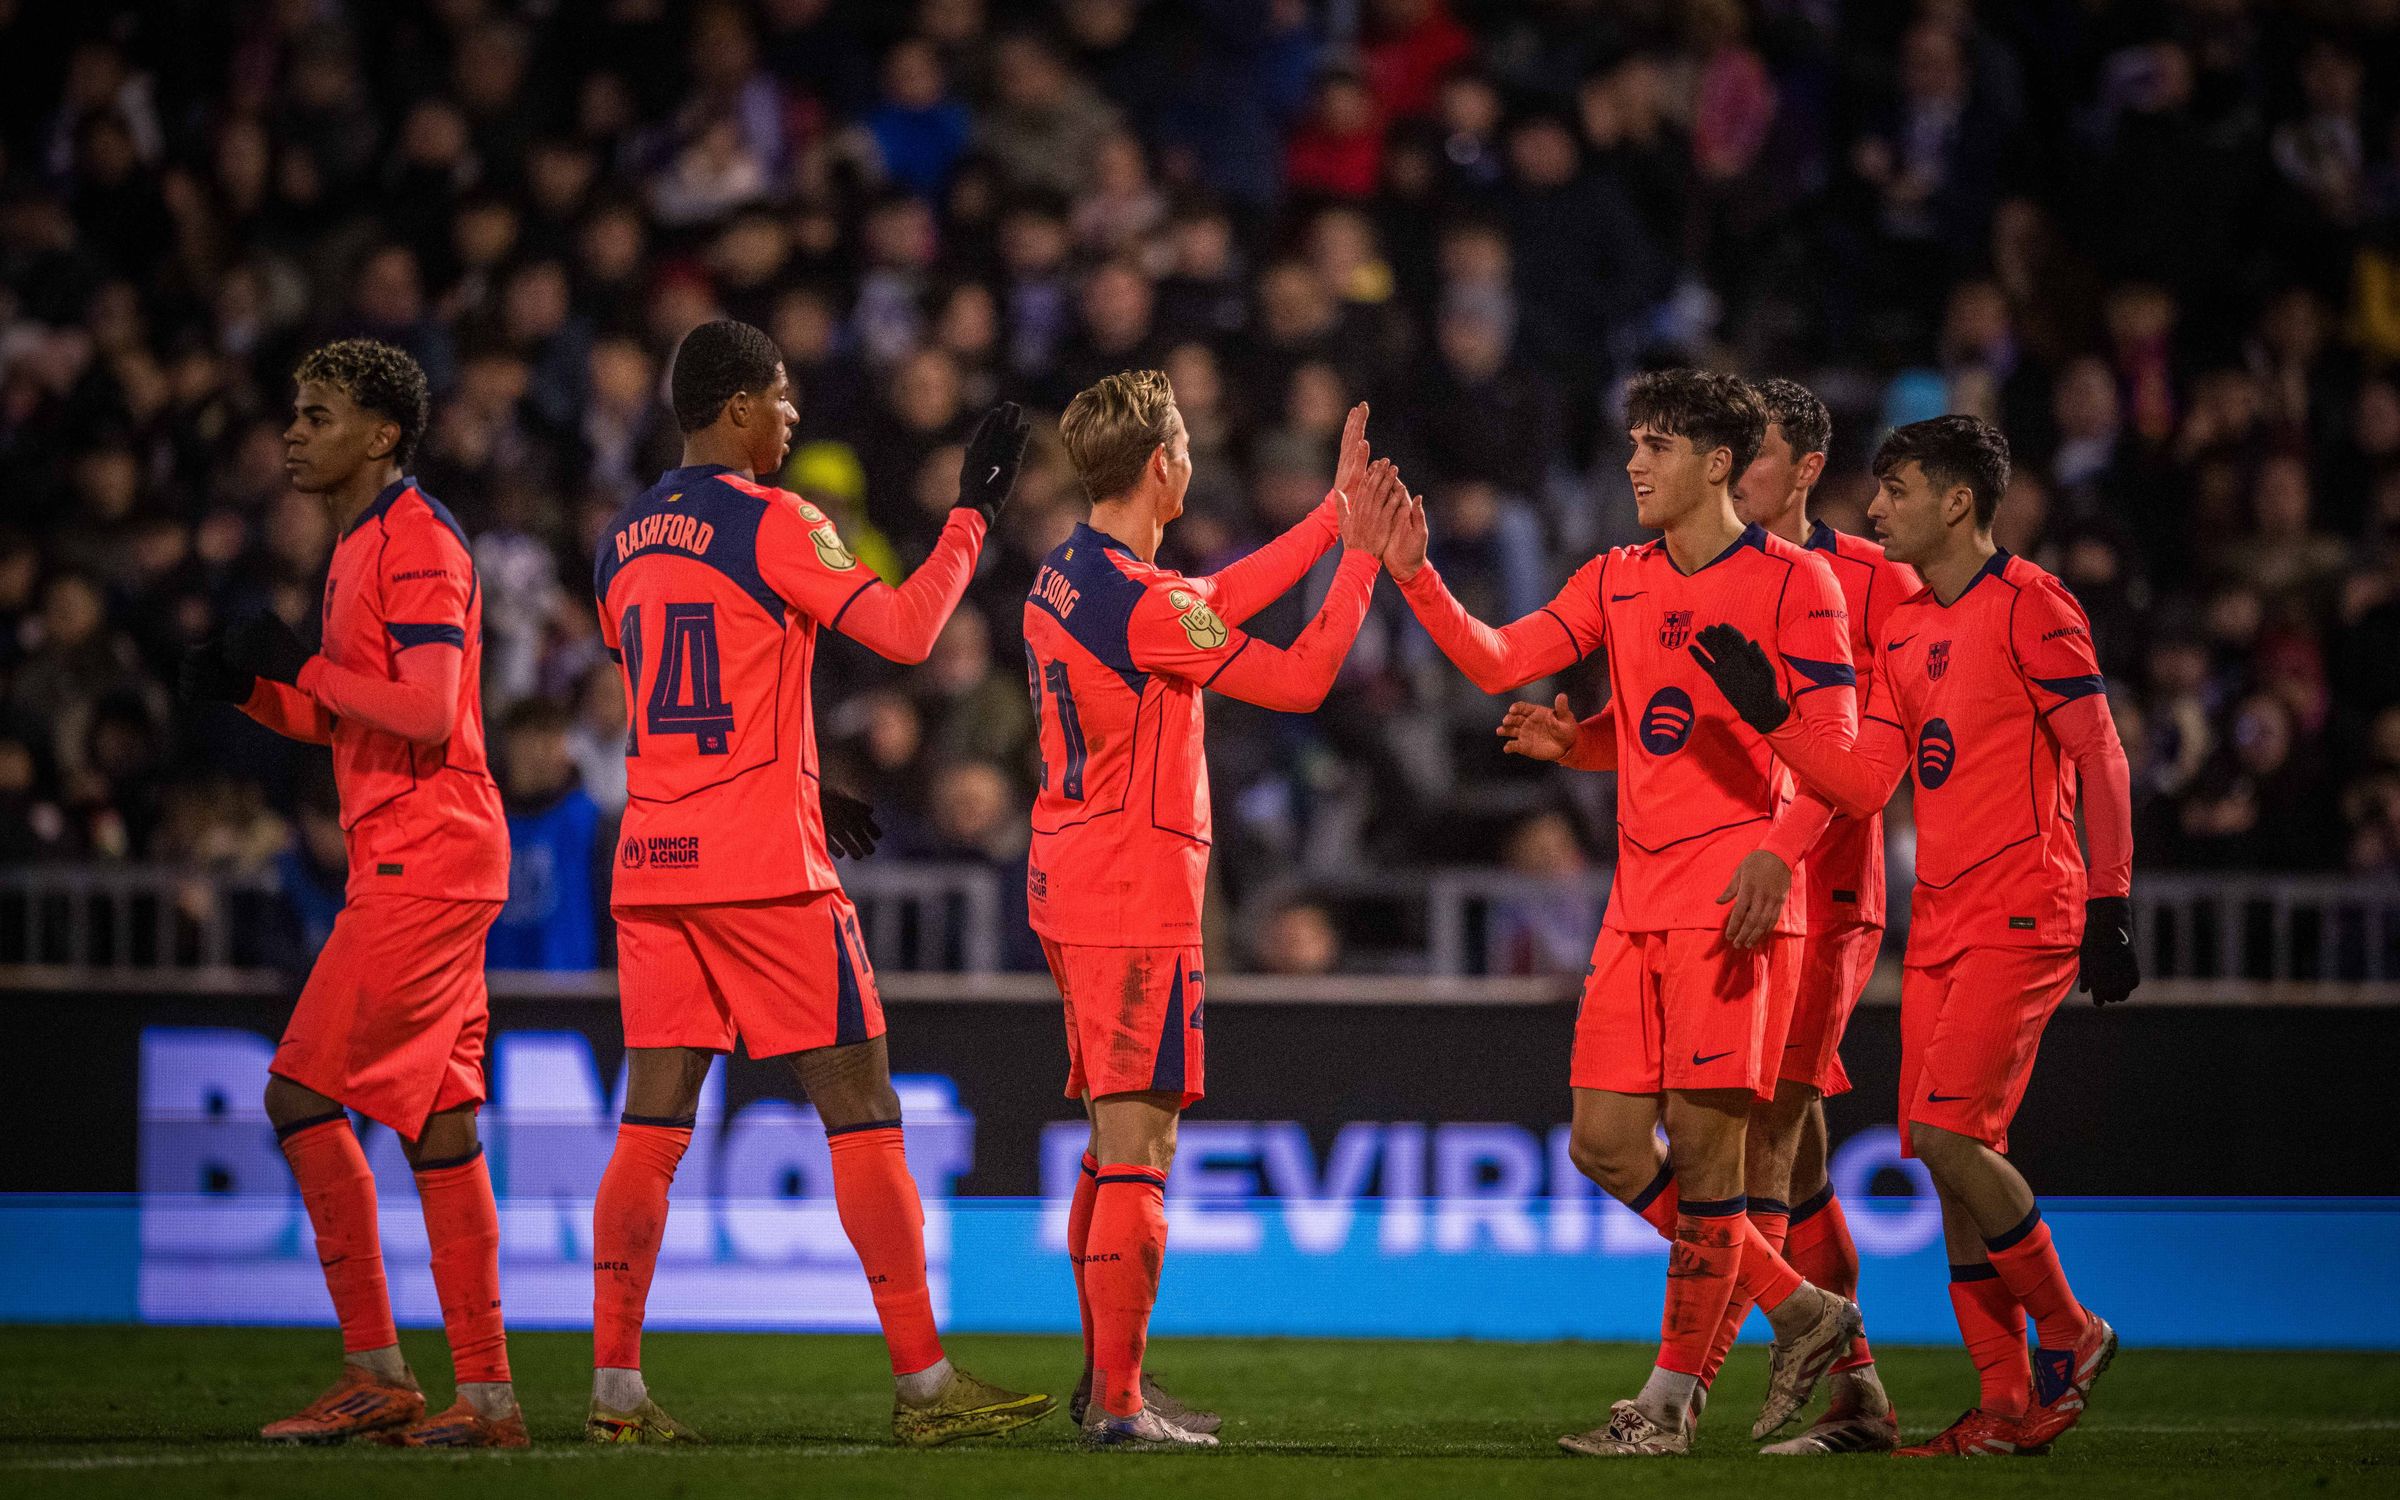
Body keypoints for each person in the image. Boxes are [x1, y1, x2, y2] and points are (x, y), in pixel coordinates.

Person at [585, 319, 1050, 1447]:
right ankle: (927, 1390)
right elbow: (905, 629)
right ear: (737, 405)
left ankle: (615, 1397)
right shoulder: (773, 517)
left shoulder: (620, 543)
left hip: (654, 864)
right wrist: (973, 513)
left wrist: (806, 778)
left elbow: (684, 691)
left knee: (650, 1123)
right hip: (764, 876)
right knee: (863, 1109)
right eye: (783, 398)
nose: (793, 417)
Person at [1384, 369, 1863, 1456]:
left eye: (1658, 443)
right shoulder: (1618, 577)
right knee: (1602, 1143)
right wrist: (1415, 577)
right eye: (1634, 441)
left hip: (1733, 907)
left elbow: (1838, 763)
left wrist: (1778, 860)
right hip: (1636, 901)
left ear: (1718, 464)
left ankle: (1667, 1408)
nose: (1636, 462)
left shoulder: (1797, 586)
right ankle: (1801, 1308)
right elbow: (1506, 658)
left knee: (1707, 1166)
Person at [1689, 415, 2136, 1457]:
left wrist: (2111, 903)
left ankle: (2072, 1330)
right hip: (1938, 917)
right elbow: (1863, 782)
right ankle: (2007, 1404)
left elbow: (2101, 756)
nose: (1875, 505)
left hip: (2026, 908)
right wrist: (1775, 719)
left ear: (1957, 502)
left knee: (1945, 1137)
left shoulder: (2033, 606)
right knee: (1947, 1160)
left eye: (1894, 488)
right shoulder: (1902, 630)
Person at [1499, 378, 1911, 1451]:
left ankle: (1683, 1399)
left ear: (1794, 469)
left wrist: (1783, 845)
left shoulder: (1858, 583)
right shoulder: (1653, 578)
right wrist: (1580, 741)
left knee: (1759, 1154)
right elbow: (1657, 729)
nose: (1737, 473)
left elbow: (1872, 757)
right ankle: (1846, 1372)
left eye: (1757, 456)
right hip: (1698, 886)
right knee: (1780, 1164)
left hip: (1816, 891)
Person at [1026, 378, 1399, 1449]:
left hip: (1068, 877)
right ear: (1164, 467)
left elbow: (1212, 597)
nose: (1192, 456)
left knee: (1108, 1145)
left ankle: (1109, 1383)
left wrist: (1330, 516)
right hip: (1134, 897)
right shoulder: (1147, 608)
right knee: (1141, 1144)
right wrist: (1362, 555)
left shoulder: (1066, 573)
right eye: (1185, 441)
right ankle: (1123, 1405)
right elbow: (1305, 676)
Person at [180, 339, 522, 1447]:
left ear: (381, 435)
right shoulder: (364, 541)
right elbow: (343, 718)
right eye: (296, 412)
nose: (293, 431)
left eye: (318, 415)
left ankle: (376, 1370)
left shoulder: (414, 539)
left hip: (424, 856)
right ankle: (489, 1400)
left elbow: (423, 710)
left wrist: (306, 666)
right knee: (439, 1126)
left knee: (298, 1096)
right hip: (433, 849)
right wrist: (251, 690)